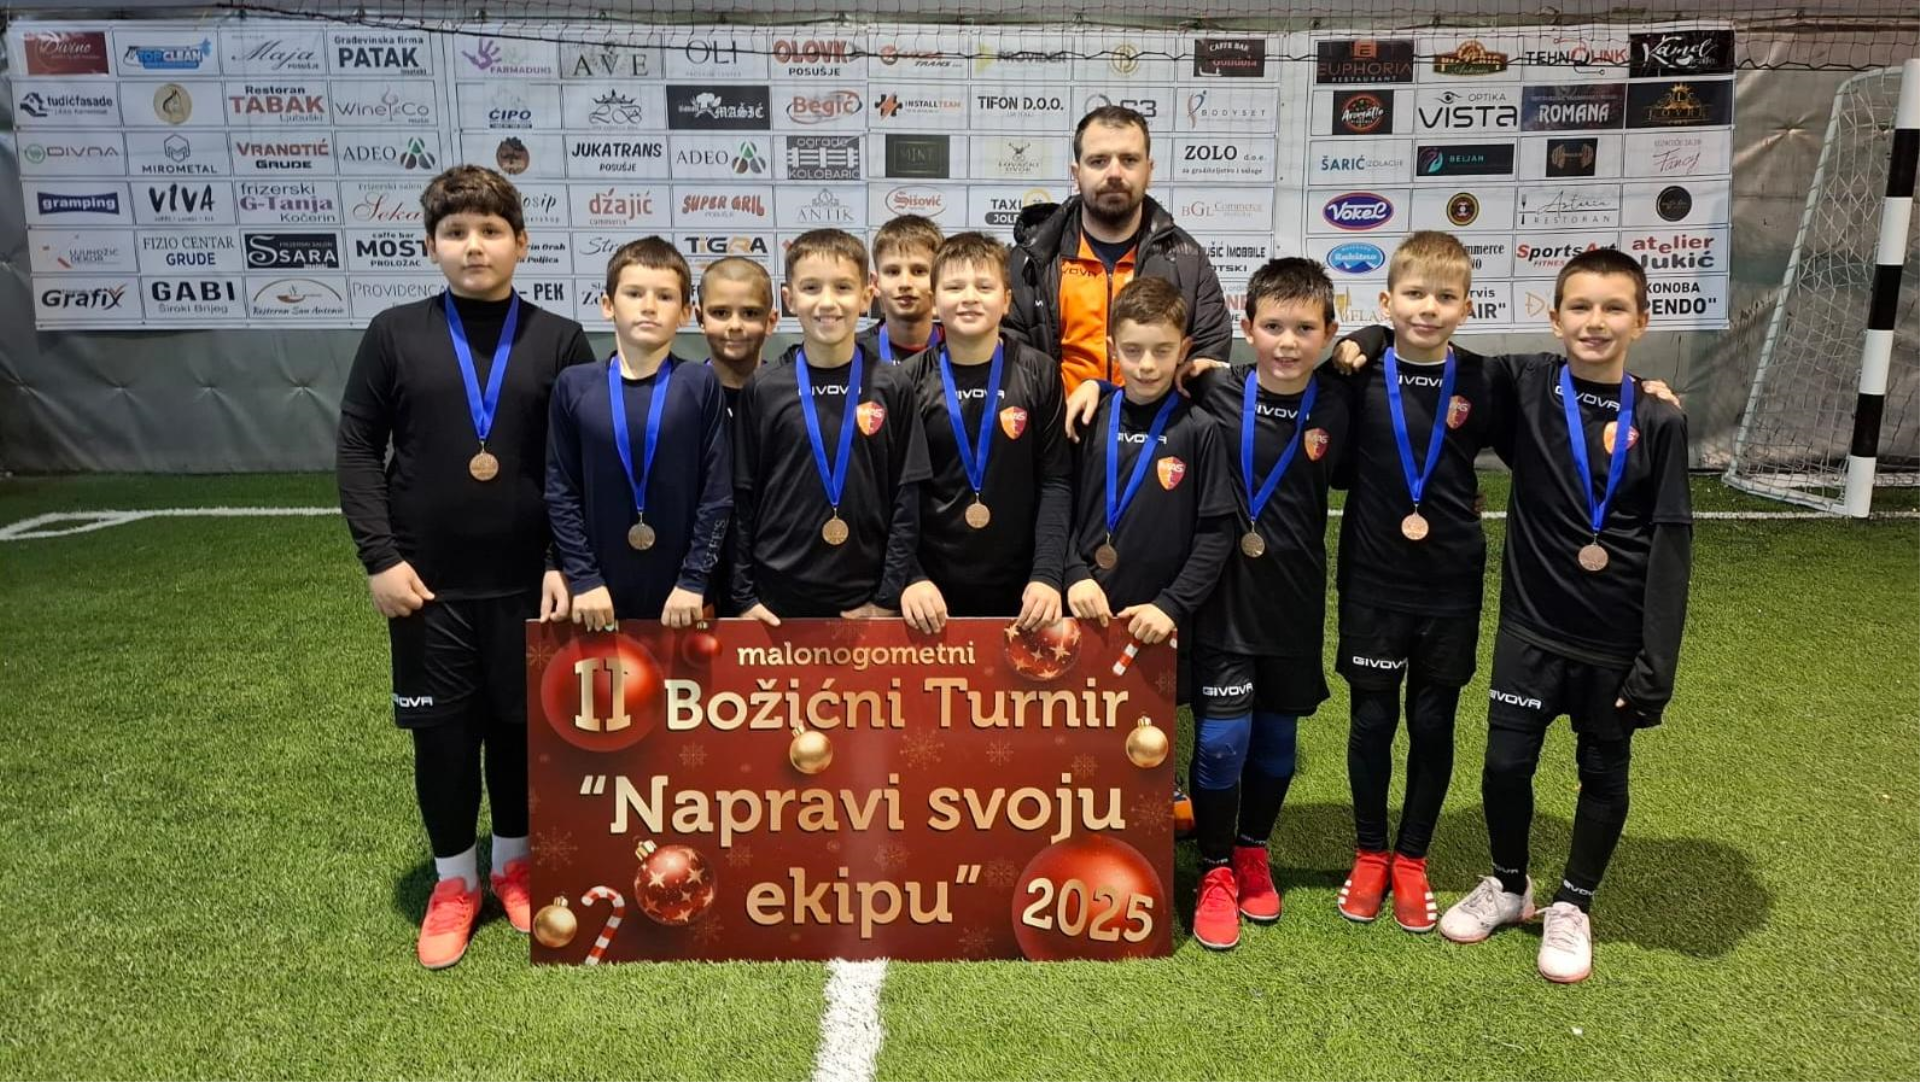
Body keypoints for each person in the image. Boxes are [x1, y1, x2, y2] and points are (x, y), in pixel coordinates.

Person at [1349, 248, 1692, 982]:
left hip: (1614, 636)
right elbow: (1421, 343)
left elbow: (1672, 547)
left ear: (1641, 321)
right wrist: (1367, 337)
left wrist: (1657, 663)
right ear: (1554, 317)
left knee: (1602, 770)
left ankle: (1574, 903)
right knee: (1505, 766)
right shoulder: (1525, 381)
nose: (1595, 322)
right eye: (1581, 307)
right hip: (1530, 626)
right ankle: (1510, 883)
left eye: (1614, 309)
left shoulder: (1658, 418)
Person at [335, 164, 595, 969]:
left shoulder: (558, 338)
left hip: (528, 585)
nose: (473, 246)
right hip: (427, 588)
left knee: (520, 733)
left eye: (490, 231)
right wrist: (381, 558)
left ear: (522, 243)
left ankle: (515, 865)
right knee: (443, 740)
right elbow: (356, 447)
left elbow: (577, 463)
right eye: (455, 233)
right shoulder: (394, 333)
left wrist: (561, 560)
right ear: (430, 246)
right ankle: (455, 880)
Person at [731, 229, 931, 622]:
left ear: (866, 296)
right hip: (775, 602)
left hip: (865, 599)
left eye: (842, 287)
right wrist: (743, 597)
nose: (827, 302)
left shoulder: (892, 385)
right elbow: (742, 497)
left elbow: (906, 499)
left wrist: (887, 598)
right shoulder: (764, 388)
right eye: (811, 288)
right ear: (789, 299)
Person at [545, 237, 730, 636]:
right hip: (598, 594)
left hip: (683, 595)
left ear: (685, 313)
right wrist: (584, 578)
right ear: (607, 305)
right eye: (634, 293)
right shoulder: (574, 385)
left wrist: (694, 580)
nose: (649, 306)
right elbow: (561, 492)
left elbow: (716, 494)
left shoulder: (700, 383)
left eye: (665, 296)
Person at [1063, 276, 1234, 702]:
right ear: (1111, 348)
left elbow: (1215, 534)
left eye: (1162, 350)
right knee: (1078, 726)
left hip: (1160, 620)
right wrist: (1074, 575)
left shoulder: (1199, 429)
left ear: (1184, 349)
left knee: (1152, 733)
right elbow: (1056, 509)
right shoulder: (1087, 419)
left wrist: (1171, 605)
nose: (1146, 365)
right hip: (1084, 607)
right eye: (1133, 350)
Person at [896, 232, 1071, 634]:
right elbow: (896, 492)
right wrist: (911, 576)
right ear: (934, 301)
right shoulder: (907, 381)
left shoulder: (1040, 372)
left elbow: (1056, 481)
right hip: (930, 592)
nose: (969, 297)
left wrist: (1047, 574)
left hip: (1024, 589)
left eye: (984, 287)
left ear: (1006, 300)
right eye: (955, 287)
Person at [1005, 105, 1232, 395]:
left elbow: (1209, 354)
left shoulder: (1187, 260)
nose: (1114, 173)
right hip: (1059, 422)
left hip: (1155, 422)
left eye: (1129, 160)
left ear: (1149, 171)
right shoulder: (1033, 259)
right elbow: (1011, 361)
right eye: (1098, 161)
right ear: (1077, 173)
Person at [694, 256, 773, 615]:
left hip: (771, 578)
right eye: (720, 313)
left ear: (772, 320)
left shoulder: (787, 397)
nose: (735, 325)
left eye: (751, 313)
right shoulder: (684, 397)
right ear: (699, 318)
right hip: (695, 583)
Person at [858, 214, 943, 363]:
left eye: (919, 271)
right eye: (893, 272)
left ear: (940, 280)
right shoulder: (855, 352)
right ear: (876, 283)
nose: (905, 283)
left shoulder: (962, 349)